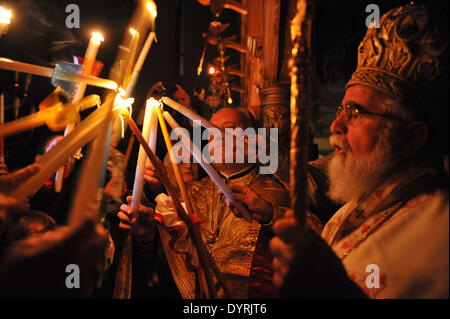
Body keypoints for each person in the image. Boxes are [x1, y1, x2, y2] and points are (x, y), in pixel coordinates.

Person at [270, 4, 449, 298]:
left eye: (355, 111)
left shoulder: (440, 231)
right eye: (342, 109)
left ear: (410, 138)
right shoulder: (348, 212)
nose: (336, 125)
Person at [119, 107, 289, 298]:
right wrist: (147, 230)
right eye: (211, 132)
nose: (219, 136)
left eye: (229, 128)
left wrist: (270, 216)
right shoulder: (188, 192)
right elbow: (158, 262)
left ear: (252, 137)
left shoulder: (276, 192)